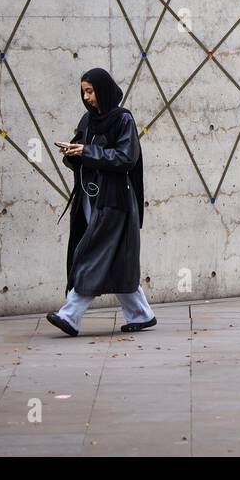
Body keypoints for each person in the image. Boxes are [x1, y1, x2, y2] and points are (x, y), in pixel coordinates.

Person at [46, 67, 156, 336]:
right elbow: (83, 152)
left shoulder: (123, 120)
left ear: (103, 90)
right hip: (89, 198)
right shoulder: (88, 121)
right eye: (83, 92)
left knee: (92, 254)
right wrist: (73, 153)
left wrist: (89, 151)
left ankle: (70, 315)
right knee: (116, 259)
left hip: (114, 202)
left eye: (91, 91)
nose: (87, 97)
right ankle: (141, 314)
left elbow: (126, 158)